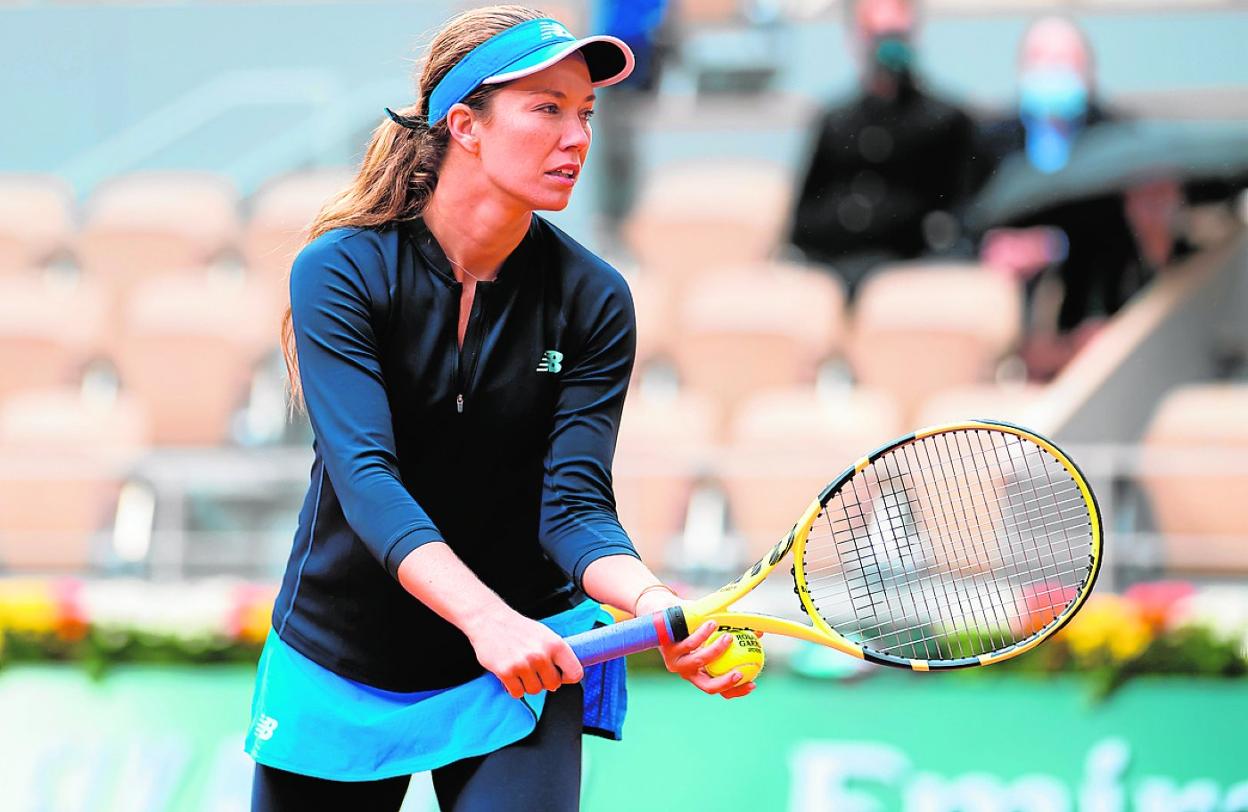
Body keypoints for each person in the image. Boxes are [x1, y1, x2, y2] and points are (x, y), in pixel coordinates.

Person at [245, 7, 753, 811]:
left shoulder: (594, 299)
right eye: (547, 108)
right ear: (466, 125)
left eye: (585, 113)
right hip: (345, 657)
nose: (576, 138)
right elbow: (367, 479)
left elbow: (574, 508)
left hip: (526, 655)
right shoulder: (339, 270)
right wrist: (485, 619)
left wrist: (656, 603)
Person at [973, 16, 1144, 368]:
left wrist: (1054, 245)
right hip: (1011, 313)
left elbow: (1124, 230)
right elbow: (966, 219)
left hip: (1092, 311)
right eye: (1041, 59)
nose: (1051, 70)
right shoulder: (990, 140)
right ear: (1021, 69)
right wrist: (995, 248)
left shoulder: (1119, 139)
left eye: (1064, 61)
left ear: (1089, 72)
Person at [788, 0, 978, 297]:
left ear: (914, 34)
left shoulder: (946, 121)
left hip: (910, 274)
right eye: (873, 34)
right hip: (833, 270)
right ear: (853, 39)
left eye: (894, 35)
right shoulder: (835, 123)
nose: (884, 47)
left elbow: (961, 218)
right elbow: (803, 222)